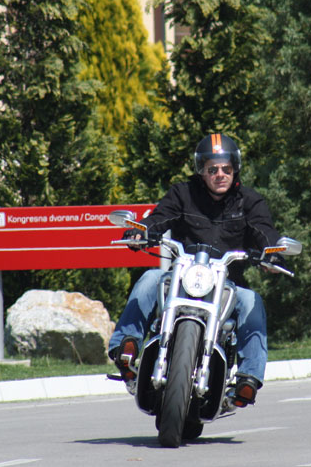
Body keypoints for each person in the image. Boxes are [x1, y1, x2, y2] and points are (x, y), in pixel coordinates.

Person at [107, 133, 283, 406]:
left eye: (226, 169)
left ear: (235, 169)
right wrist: (141, 232)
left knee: (252, 301)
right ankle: (126, 346)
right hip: (182, 276)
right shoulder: (183, 193)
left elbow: (265, 231)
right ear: (201, 170)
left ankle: (249, 378)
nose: (220, 175)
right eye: (213, 169)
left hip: (227, 284)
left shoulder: (249, 201)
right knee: (150, 278)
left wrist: (273, 253)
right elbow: (159, 217)